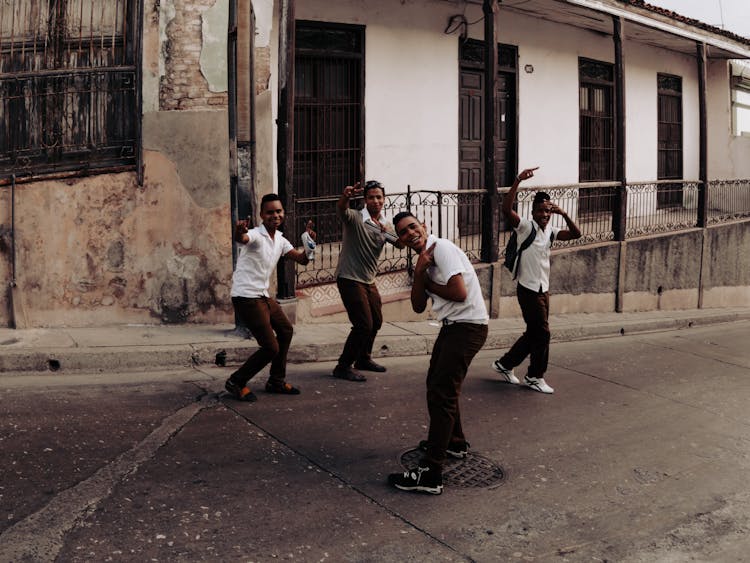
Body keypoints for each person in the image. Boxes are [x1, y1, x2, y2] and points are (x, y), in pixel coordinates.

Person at [387, 212, 489, 495]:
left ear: (424, 225)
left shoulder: (441, 248)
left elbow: (459, 293)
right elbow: (419, 306)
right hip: (453, 327)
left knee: (442, 394)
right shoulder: (423, 261)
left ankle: (431, 474)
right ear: (401, 240)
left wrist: (425, 278)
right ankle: (454, 442)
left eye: (412, 227)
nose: (410, 234)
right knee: (437, 386)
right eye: (404, 233)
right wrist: (419, 273)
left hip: (467, 327)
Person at [492, 167, 581, 394]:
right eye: (541, 211)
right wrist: (517, 180)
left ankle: (504, 364)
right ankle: (534, 375)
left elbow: (576, 234)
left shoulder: (550, 231)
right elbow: (505, 209)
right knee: (543, 334)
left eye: (547, 211)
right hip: (528, 289)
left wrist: (563, 214)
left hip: (544, 289)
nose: (544, 214)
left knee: (534, 333)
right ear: (533, 211)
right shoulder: (525, 227)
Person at [224, 193, 316, 402]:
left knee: (285, 330)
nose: (275, 215)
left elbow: (302, 260)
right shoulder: (256, 235)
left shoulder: (280, 240)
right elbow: (243, 239)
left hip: (263, 296)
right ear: (262, 215)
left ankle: (276, 380)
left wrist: (310, 244)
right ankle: (236, 381)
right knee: (270, 347)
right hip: (246, 296)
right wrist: (239, 232)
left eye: (278, 211)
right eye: (270, 212)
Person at [332, 180, 402, 382]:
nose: (375, 200)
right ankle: (343, 366)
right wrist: (345, 196)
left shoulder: (384, 225)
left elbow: (399, 244)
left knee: (376, 321)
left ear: (384, 199)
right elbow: (341, 209)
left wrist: (413, 234)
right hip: (349, 277)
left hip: (368, 280)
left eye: (379, 197)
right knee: (363, 324)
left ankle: (363, 358)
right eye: (371, 197)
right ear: (364, 200)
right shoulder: (354, 218)